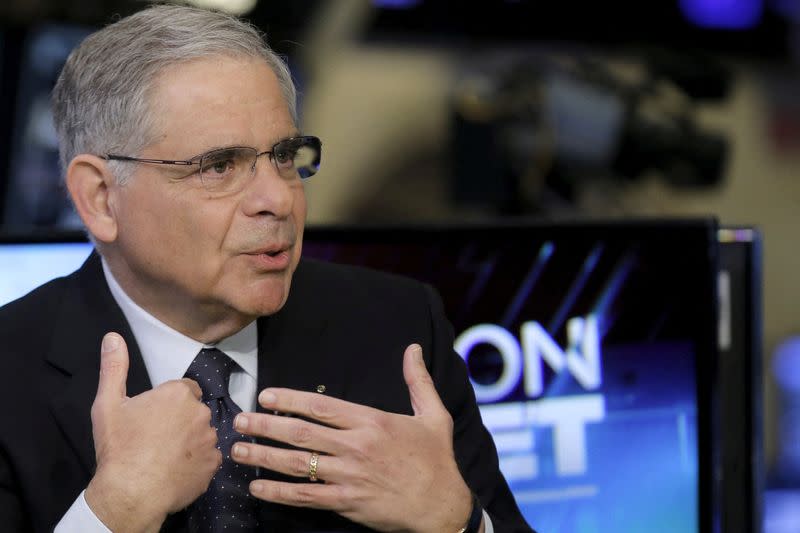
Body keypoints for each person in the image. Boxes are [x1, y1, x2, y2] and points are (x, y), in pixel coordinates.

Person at [0, 5, 534, 533]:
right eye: (219, 166)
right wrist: (112, 511)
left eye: (284, 155)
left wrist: (457, 520)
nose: (278, 199)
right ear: (99, 197)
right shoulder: (9, 375)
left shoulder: (397, 327)